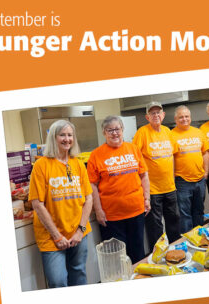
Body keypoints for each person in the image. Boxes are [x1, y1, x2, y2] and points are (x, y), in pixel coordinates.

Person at [28, 120, 93, 288]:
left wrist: (80, 230)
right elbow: (37, 204)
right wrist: (56, 235)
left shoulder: (77, 163)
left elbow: (88, 199)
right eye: (62, 135)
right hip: (51, 237)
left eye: (70, 135)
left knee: (79, 275)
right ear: (53, 138)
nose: (67, 139)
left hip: (78, 233)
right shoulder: (41, 165)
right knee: (58, 282)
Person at [87, 115, 150, 264]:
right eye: (110, 130)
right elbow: (92, 185)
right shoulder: (96, 155)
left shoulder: (133, 149)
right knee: (117, 259)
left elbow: (144, 176)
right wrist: (98, 210)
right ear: (104, 133)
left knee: (138, 252)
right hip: (111, 216)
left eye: (117, 129)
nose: (114, 133)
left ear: (122, 130)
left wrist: (147, 198)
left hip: (136, 210)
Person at [133, 102, 180, 251]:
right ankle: (158, 255)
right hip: (152, 190)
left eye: (158, 112)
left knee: (174, 221)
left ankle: (175, 250)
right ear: (147, 117)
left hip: (170, 187)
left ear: (163, 115)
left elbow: (172, 155)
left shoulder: (168, 131)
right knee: (155, 226)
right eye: (152, 113)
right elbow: (135, 157)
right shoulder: (142, 132)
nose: (156, 115)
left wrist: (172, 177)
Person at [171, 105, 209, 234]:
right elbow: (169, 159)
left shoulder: (198, 132)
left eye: (186, 116)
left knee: (199, 211)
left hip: (200, 179)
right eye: (181, 117)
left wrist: (206, 173)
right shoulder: (171, 135)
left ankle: (199, 238)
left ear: (190, 117)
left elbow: (205, 153)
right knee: (184, 214)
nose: (184, 119)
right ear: (176, 119)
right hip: (182, 181)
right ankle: (187, 240)